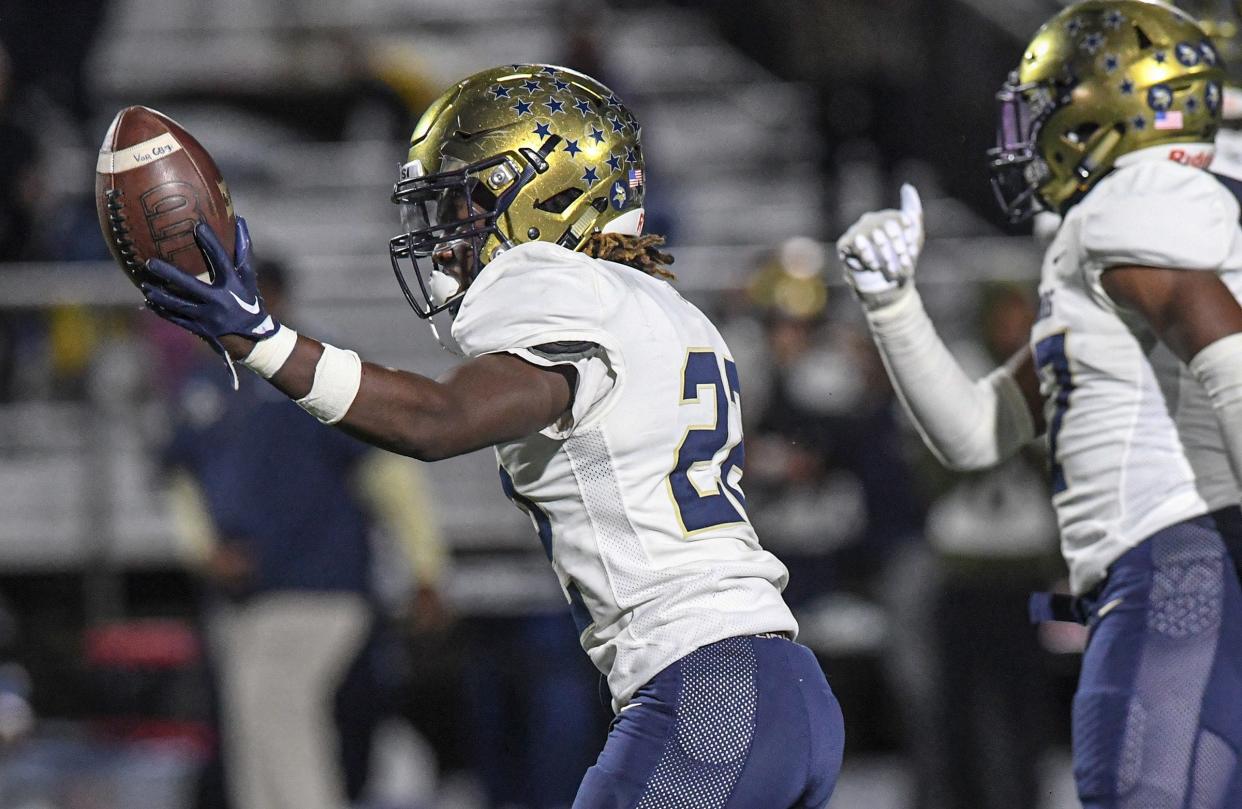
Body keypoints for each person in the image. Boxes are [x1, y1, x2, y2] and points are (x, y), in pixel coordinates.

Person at [136, 64, 844, 807]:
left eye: (473, 200)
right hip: (785, 688)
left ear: (552, 196)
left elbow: (434, 422)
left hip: (706, 690)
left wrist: (263, 341)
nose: (452, 232)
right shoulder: (666, 312)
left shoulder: (568, 295)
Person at [837, 2, 1242, 807]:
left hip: (1175, 573)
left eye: (1051, 104)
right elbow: (976, 433)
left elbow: (1226, 350)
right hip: (1192, 576)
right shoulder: (1133, 228)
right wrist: (892, 305)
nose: (1033, 133)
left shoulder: (1131, 205)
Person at [163, 259, 448, 809]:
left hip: (320, 583)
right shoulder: (203, 381)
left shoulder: (318, 369)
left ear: (279, 298)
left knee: (277, 705)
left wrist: (426, 569)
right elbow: (183, 480)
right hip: (242, 596)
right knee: (249, 722)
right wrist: (205, 553)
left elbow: (391, 475)